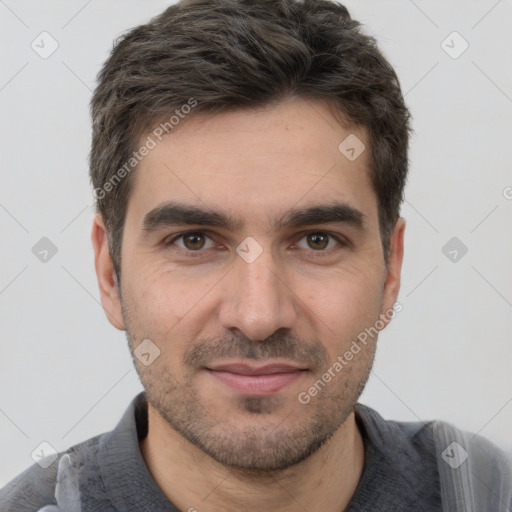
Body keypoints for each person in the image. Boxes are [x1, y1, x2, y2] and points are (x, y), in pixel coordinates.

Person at [1, 0, 511, 510]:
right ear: (110, 272)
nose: (258, 316)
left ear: (390, 269)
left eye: (317, 240)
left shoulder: (485, 491)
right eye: (194, 240)